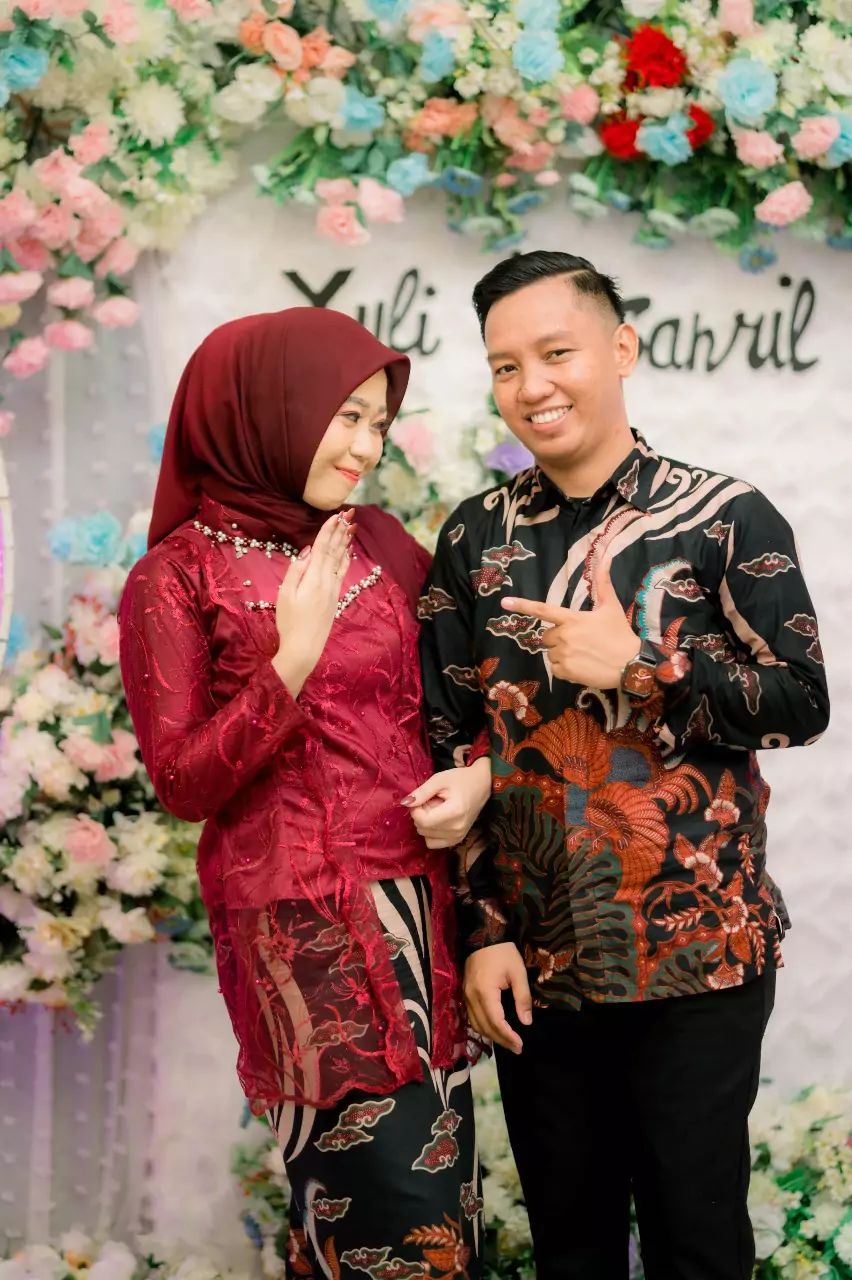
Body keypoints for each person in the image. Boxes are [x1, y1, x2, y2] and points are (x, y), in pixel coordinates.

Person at [415, 251, 830, 1280]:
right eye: (506, 366)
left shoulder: (725, 515)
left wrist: (644, 665)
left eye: (556, 353)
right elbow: (450, 738)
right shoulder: (473, 536)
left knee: (699, 1244)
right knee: (572, 1249)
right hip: (539, 966)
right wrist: (482, 933)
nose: (533, 386)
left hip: (699, 953)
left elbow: (801, 703)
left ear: (621, 348)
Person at [118, 309, 491, 1276]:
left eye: (379, 423)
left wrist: (477, 777)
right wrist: (289, 662)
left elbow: (463, 700)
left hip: (424, 909)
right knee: (383, 1223)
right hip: (302, 928)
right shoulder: (174, 577)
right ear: (268, 410)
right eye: (346, 417)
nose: (367, 447)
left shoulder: (380, 543)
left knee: (442, 1207)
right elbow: (182, 781)